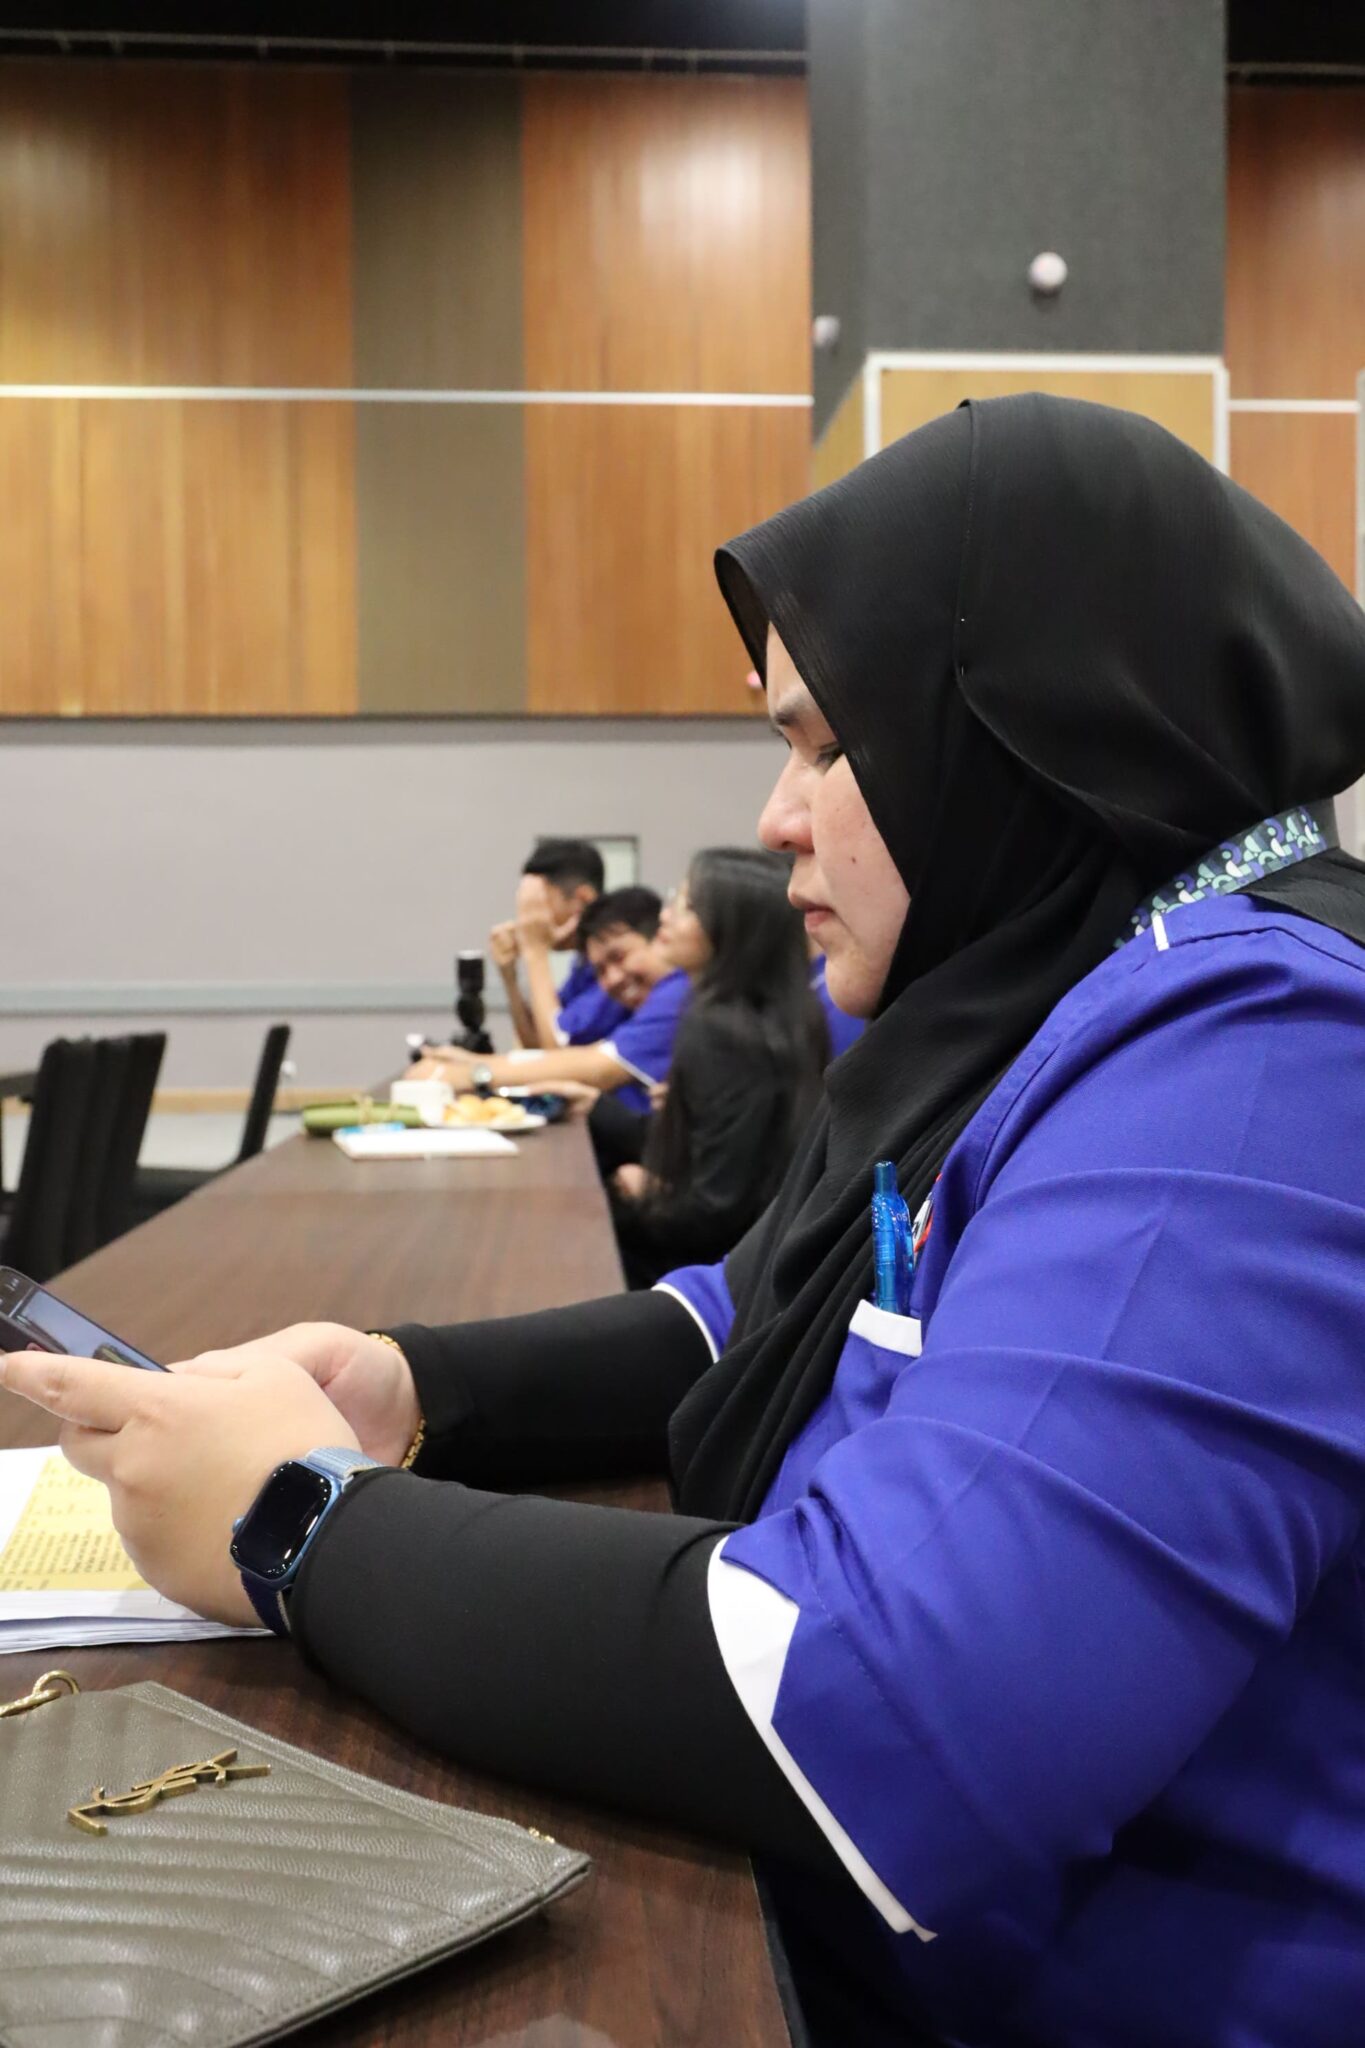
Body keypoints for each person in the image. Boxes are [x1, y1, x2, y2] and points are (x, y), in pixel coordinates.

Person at [12, 395, 1365, 2048]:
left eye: (827, 744)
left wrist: (300, 1523)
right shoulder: (1047, 1000)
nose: (777, 815)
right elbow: (758, 1307)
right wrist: (413, 1382)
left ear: (1039, 729)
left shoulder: (1259, 1049)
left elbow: (895, 1697)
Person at [610, 847, 828, 1287]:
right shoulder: (784, 1016)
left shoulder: (720, 1029)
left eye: (688, 907)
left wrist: (643, 1193)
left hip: (708, 1271)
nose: (666, 916)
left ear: (733, 930)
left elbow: (713, 1209)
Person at [424, 886, 688, 1120]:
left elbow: (576, 1057)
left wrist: (472, 1072)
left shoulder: (678, 990)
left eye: (536, 913)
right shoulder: (609, 980)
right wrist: (509, 976)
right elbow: (544, 1047)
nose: (612, 978)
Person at [491, 837, 626, 1050]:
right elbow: (537, 1043)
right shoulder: (582, 965)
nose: (528, 921)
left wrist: (536, 952)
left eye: (537, 906)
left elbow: (557, 1049)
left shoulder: (618, 970)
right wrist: (509, 977)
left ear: (584, 899)